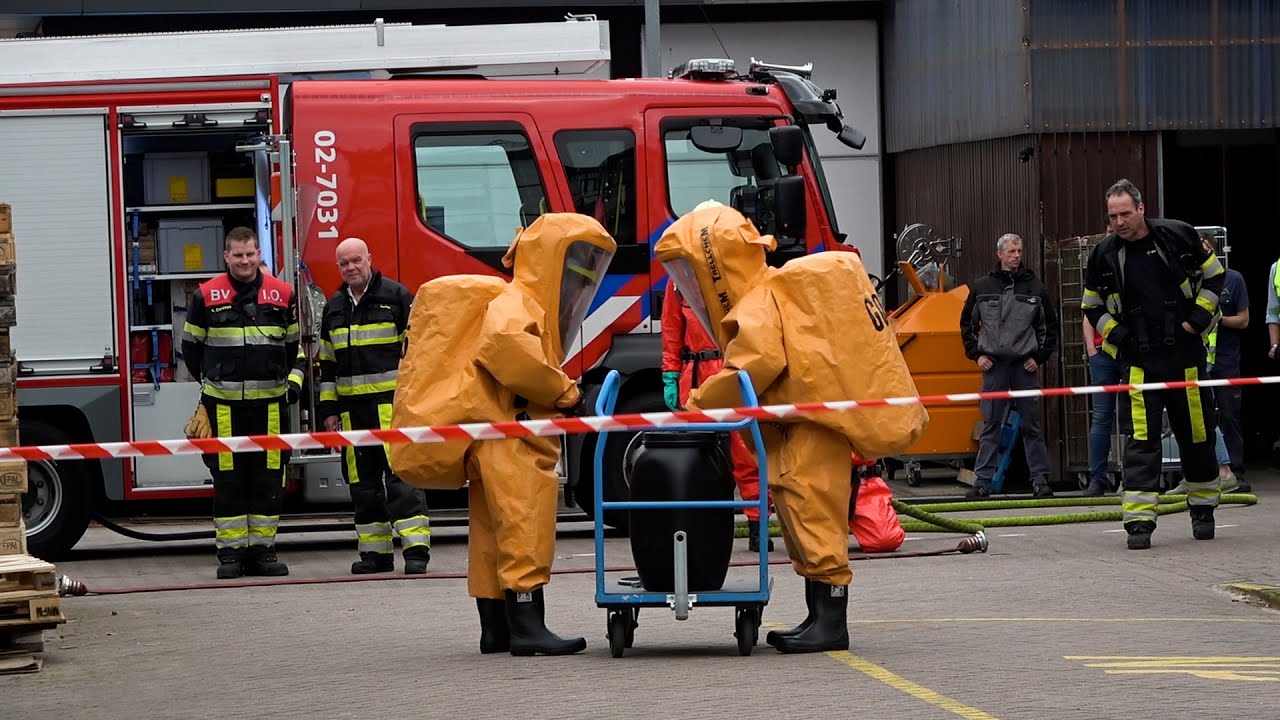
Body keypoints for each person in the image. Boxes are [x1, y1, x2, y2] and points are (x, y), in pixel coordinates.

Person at [654, 202, 927, 654]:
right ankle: (817, 617)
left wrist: (699, 402)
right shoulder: (766, 295)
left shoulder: (759, 302)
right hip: (795, 427)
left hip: (809, 430)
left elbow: (754, 366)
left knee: (814, 515)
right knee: (802, 515)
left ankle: (830, 623)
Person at [391, 213, 616, 656]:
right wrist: (565, 393)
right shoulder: (520, 304)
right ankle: (528, 628)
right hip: (513, 434)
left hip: (490, 432)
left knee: (491, 532)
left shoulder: (515, 300)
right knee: (523, 526)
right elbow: (506, 350)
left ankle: (495, 629)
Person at [1082, 179, 1224, 550]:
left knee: (1197, 437)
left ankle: (1204, 509)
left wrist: (1196, 319)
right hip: (1140, 362)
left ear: (1141, 209)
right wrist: (1121, 337)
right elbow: (1091, 306)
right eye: (1112, 216)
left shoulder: (1178, 236)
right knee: (1141, 442)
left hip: (1186, 359)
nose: (1119, 222)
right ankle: (1139, 522)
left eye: (1125, 213)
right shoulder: (1104, 254)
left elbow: (1215, 277)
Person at [182, 226, 300, 579]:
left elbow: (294, 349)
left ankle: (263, 552)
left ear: (259, 254)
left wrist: (288, 385)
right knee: (229, 481)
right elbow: (191, 349)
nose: (245, 260)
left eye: (250, 254)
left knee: (267, 480)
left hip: (270, 409)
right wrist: (212, 386)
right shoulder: (205, 296)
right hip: (224, 408)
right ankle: (231, 554)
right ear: (226, 257)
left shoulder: (283, 294)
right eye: (238, 254)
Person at [317, 238, 432, 575]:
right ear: (338, 267)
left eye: (356, 261)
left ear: (369, 259)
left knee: (403, 481)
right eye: (344, 264)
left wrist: (415, 401)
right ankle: (375, 554)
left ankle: (416, 552)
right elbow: (327, 365)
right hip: (353, 414)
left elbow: (418, 354)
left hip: (393, 409)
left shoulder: (396, 297)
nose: (351, 268)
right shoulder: (334, 307)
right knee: (363, 485)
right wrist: (329, 411)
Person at [661, 280, 773, 552]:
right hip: (697, 372)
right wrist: (671, 373)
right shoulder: (679, 278)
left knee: (746, 453)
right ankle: (699, 524)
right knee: (695, 456)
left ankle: (758, 525)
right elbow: (672, 326)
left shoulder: (732, 268)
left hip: (731, 370)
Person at [959, 233, 1059, 499]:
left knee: (1032, 425)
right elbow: (966, 324)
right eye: (1012, 251)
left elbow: (1049, 327)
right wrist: (976, 354)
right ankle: (982, 482)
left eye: (1019, 251)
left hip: (1023, 367)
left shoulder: (1034, 286)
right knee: (991, 424)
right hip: (994, 366)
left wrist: (1038, 357)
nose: (1016, 256)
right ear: (999, 254)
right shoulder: (982, 286)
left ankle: (1039, 480)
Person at [1082, 221, 1121, 497]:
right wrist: (1092, 351)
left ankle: (1133, 477)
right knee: (1101, 417)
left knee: (1134, 418)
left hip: (1131, 353)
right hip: (1103, 354)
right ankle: (1098, 478)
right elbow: (1088, 310)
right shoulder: (1097, 266)